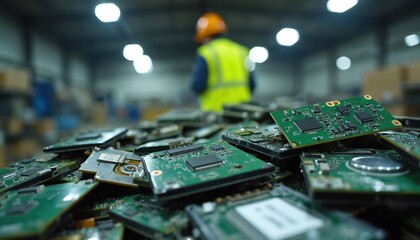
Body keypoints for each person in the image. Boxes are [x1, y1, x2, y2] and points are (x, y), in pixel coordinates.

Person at [190, 12, 255, 112]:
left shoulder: (205, 53)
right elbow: (252, 84)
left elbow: (198, 86)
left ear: (204, 37)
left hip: (215, 113)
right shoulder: (242, 51)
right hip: (243, 111)